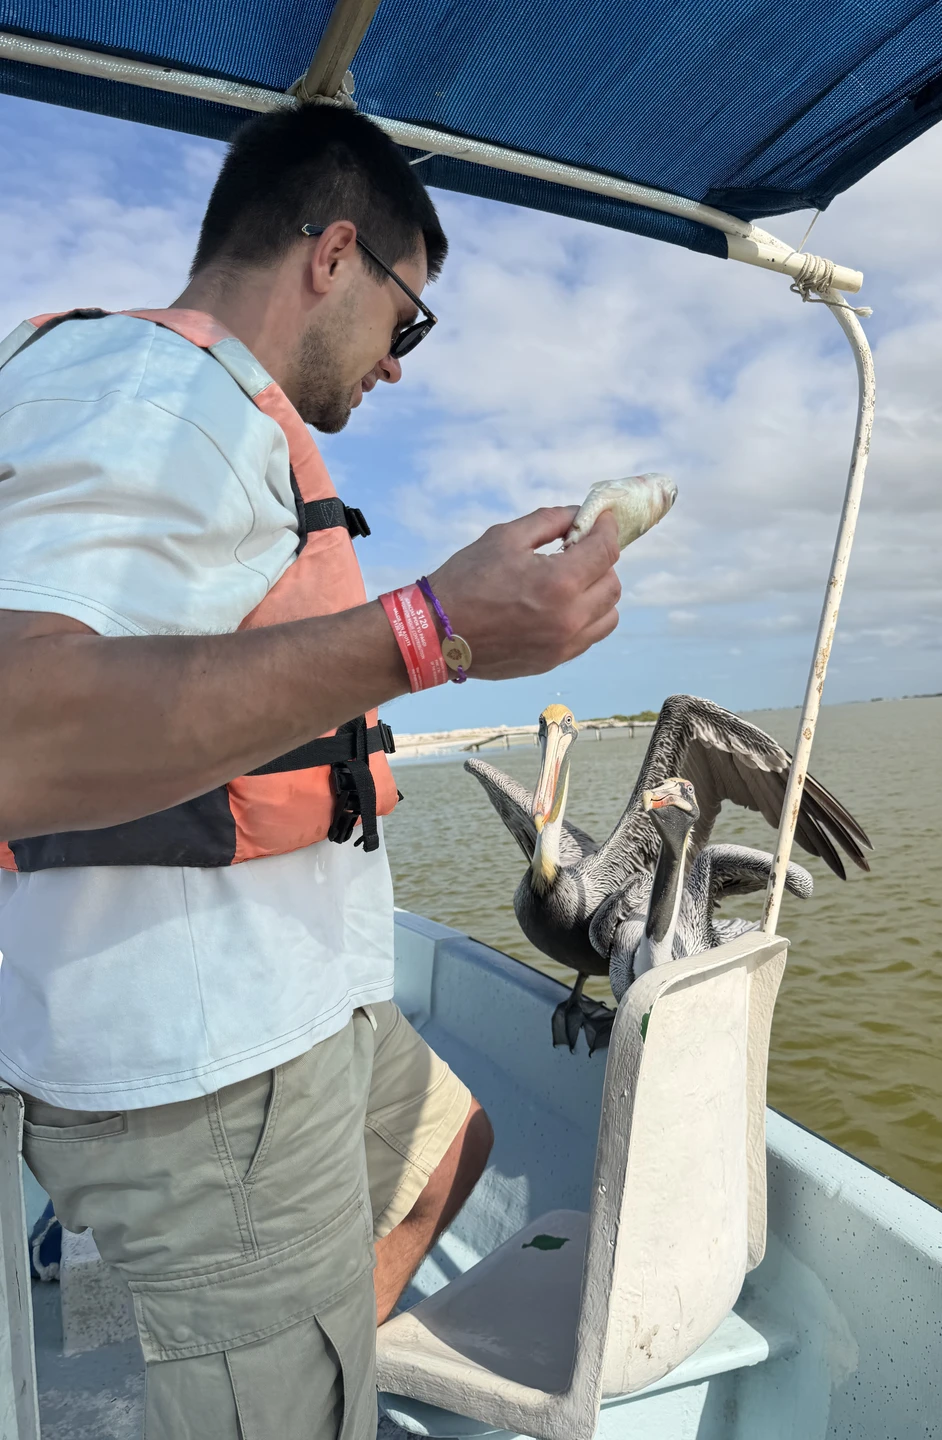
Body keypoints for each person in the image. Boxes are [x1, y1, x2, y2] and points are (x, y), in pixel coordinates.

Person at [0, 103, 621, 1439]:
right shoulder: (153, 391)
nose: (400, 369)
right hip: (204, 1081)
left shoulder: (190, 411)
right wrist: (435, 629)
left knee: (448, 1149)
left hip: (306, 1020)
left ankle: (335, 1357)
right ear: (336, 254)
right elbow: (15, 726)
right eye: (411, 324)